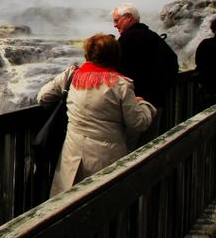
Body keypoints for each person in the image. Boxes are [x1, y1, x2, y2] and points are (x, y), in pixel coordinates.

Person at [37, 33, 156, 196]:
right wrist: (145, 105)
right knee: (104, 204)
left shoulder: (72, 75)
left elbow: (43, 97)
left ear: (88, 54)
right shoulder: (121, 84)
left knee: (67, 205)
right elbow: (138, 123)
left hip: (72, 155)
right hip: (107, 159)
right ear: (115, 56)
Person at [111, 3, 171, 145]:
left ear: (129, 18)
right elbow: (172, 64)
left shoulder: (126, 39)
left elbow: (116, 71)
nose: (114, 25)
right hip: (155, 104)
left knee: (129, 151)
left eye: (116, 20)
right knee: (149, 148)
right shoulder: (154, 37)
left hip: (133, 106)